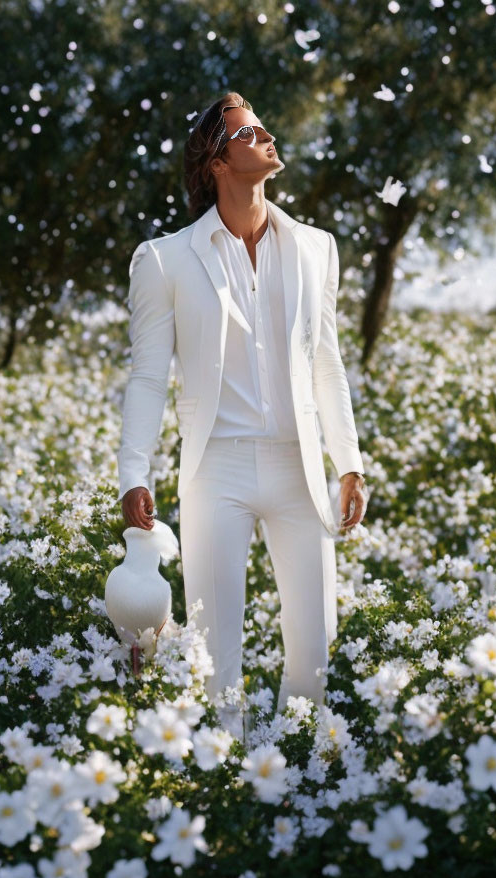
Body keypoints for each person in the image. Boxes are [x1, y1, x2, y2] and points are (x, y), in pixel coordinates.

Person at [116, 91, 367, 739]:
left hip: (298, 464)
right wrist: (133, 473)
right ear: (216, 161)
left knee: (315, 642)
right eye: (248, 131)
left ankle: (304, 779)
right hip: (214, 470)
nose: (266, 135)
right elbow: (147, 378)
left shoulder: (317, 248)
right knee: (213, 652)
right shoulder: (164, 260)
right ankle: (222, 778)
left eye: (262, 125)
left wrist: (350, 462)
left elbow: (326, 363)